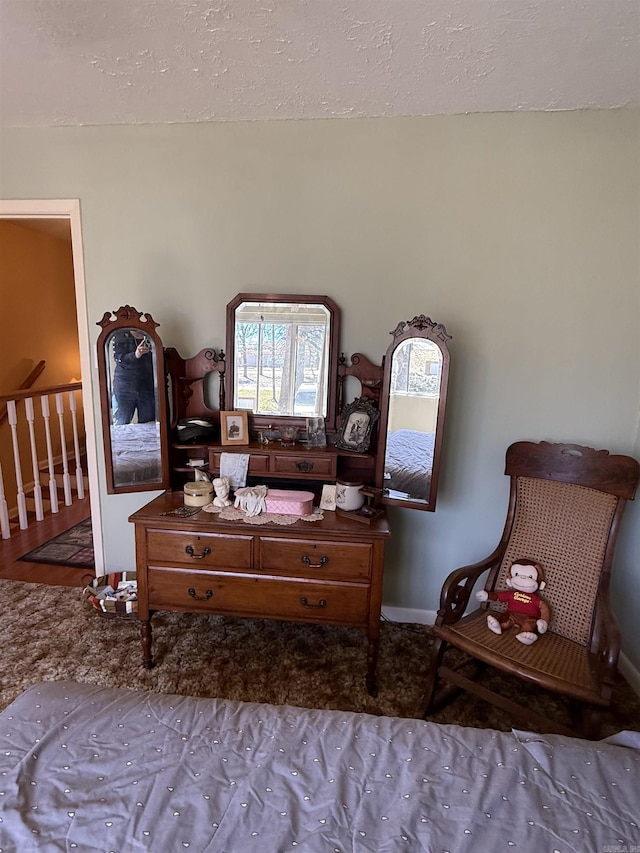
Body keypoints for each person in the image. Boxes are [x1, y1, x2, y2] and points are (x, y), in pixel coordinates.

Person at [112, 329, 155, 424]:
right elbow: (119, 358)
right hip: (124, 386)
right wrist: (135, 355)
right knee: (121, 423)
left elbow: (157, 358)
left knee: (148, 424)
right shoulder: (120, 335)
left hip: (146, 385)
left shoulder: (150, 335)